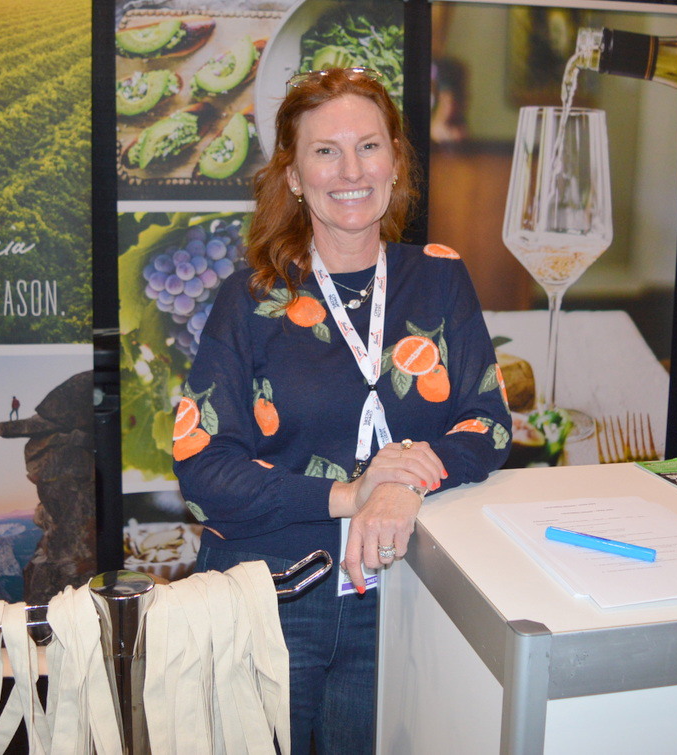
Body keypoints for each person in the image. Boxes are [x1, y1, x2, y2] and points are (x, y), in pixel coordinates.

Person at [173, 66, 511, 753]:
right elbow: (202, 467)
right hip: (269, 600)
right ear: (293, 175)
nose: (351, 170)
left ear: (396, 161)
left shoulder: (440, 276)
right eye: (326, 151)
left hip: (402, 596)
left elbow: (488, 423)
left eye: (369, 146)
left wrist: (405, 481)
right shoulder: (251, 299)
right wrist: (352, 494)